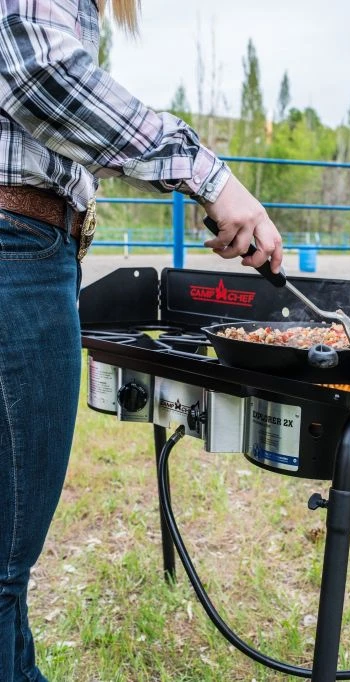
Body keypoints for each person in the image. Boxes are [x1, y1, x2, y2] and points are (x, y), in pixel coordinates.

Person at [0, 1, 283, 680]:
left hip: (32, 247)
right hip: (15, 250)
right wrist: (211, 177)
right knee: (5, 560)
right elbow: (39, 70)